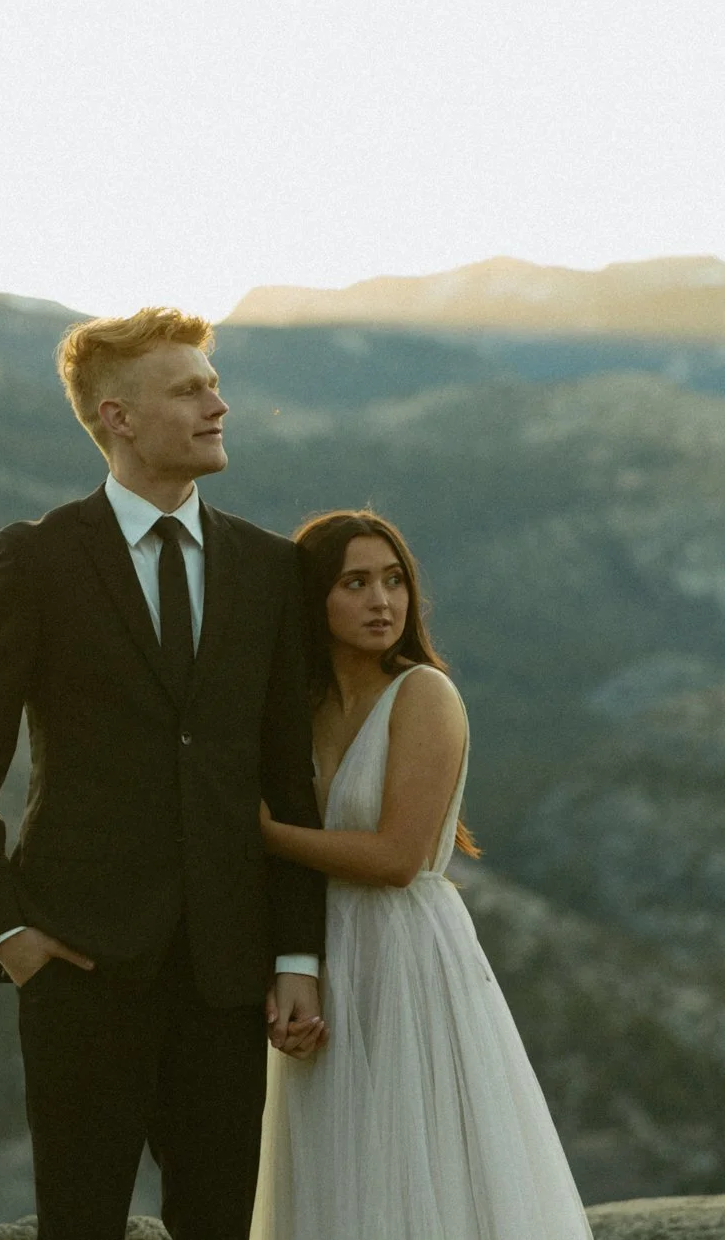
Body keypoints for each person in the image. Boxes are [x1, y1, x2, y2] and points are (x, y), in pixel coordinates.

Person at [0, 307, 329, 1240]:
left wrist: (297, 954)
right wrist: (5, 928)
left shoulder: (269, 571)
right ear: (118, 415)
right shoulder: (36, 559)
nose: (218, 404)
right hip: (78, 965)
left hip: (228, 973)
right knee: (80, 1221)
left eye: (213, 384)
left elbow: (289, 777)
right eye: (189, 389)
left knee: (219, 1223)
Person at [251, 510, 592, 1240]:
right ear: (315, 599)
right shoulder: (298, 711)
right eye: (356, 582)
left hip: (407, 956)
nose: (383, 601)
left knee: (420, 1159)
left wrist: (268, 834)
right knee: (336, 1166)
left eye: (395, 580)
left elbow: (398, 856)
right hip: (327, 954)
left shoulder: (425, 695)